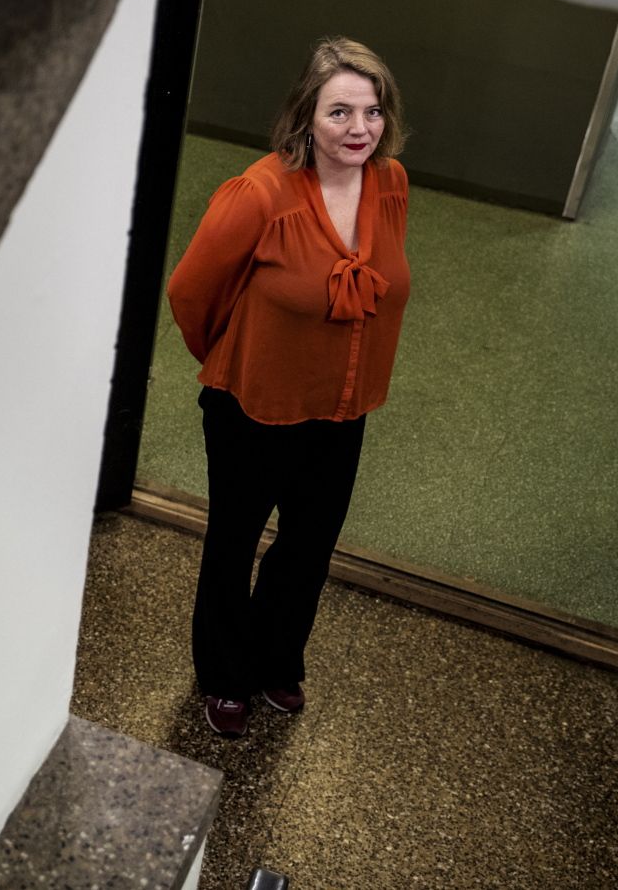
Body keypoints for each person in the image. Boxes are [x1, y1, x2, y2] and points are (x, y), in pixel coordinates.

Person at [166, 37, 411, 738]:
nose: (360, 128)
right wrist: (238, 358)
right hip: (253, 408)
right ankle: (223, 675)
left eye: (372, 111)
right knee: (234, 542)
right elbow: (190, 292)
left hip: (341, 408)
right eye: (340, 112)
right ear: (306, 115)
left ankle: (276, 658)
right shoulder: (259, 194)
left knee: (309, 546)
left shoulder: (391, 183)